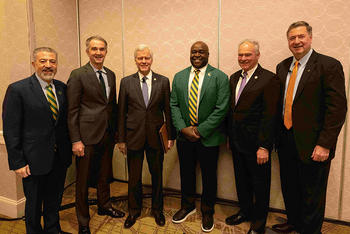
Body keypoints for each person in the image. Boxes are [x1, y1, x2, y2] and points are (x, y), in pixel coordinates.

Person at [272, 21, 347, 234]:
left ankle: (311, 231)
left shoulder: (328, 65)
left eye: (301, 36)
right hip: (286, 139)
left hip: (315, 144)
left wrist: (325, 144)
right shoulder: (282, 66)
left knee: (312, 193)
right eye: (292, 38)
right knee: (290, 187)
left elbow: (337, 109)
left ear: (310, 38)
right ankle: (294, 221)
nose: (297, 41)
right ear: (288, 41)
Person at [2, 47, 72, 234]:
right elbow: (11, 129)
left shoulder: (62, 88)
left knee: (54, 199)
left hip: (59, 158)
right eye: (43, 61)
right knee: (33, 204)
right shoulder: (18, 89)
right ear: (34, 64)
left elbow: (63, 123)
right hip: (33, 160)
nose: (48, 65)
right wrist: (17, 162)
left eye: (52, 61)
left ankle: (52, 229)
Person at [170, 41, 230, 232]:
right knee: (186, 173)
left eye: (201, 52)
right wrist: (182, 128)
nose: (197, 55)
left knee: (209, 176)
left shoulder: (220, 77)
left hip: (209, 137)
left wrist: (200, 130)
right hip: (184, 137)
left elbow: (222, 108)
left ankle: (207, 210)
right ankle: (187, 206)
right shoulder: (179, 77)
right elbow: (174, 105)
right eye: (194, 51)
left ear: (208, 54)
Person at [67, 35, 124, 234]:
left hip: (107, 135)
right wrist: (76, 140)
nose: (98, 53)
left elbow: (111, 106)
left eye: (101, 49)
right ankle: (83, 221)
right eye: (94, 49)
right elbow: (72, 110)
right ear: (87, 52)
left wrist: (117, 134)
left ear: (106, 51)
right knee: (82, 182)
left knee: (104, 175)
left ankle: (104, 205)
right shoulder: (77, 74)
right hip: (86, 137)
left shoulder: (111, 74)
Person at [117, 44, 174, 228]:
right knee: (134, 178)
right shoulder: (126, 82)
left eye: (147, 58)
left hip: (155, 138)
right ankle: (133, 211)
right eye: (140, 58)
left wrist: (170, 136)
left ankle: (158, 211)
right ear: (135, 60)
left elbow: (168, 111)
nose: (143, 61)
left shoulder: (163, 81)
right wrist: (121, 139)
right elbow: (121, 112)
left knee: (157, 176)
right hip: (133, 137)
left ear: (151, 60)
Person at [225, 40, 279, 234]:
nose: (243, 58)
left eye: (247, 55)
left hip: (257, 146)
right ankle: (245, 212)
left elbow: (270, 115)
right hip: (237, 142)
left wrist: (264, 146)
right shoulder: (233, 78)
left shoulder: (268, 79)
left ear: (257, 55)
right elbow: (232, 111)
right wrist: (229, 137)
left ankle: (258, 224)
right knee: (242, 182)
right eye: (240, 55)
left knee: (260, 185)